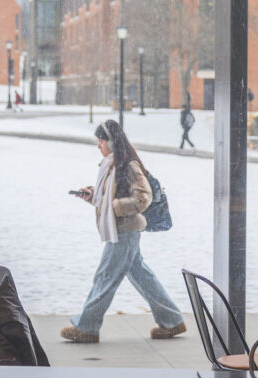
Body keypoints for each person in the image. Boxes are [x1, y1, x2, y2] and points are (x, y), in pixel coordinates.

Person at [62, 119, 186, 343]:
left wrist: (118, 207)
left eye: (100, 141)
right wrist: (92, 196)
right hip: (119, 230)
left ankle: (87, 327)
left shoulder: (129, 165)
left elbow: (143, 197)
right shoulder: (110, 165)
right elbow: (109, 198)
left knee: (105, 276)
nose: (98, 145)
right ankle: (173, 321)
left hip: (125, 231)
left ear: (111, 142)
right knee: (141, 276)